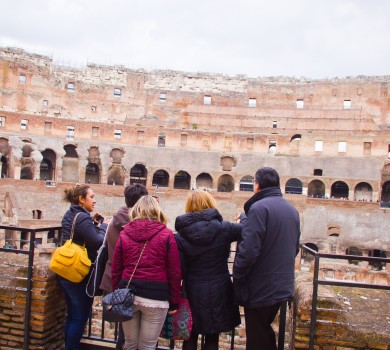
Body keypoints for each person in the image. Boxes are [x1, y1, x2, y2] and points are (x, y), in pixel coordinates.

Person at [233, 167, 301, 350]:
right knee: (263, 331)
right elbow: (295, 247)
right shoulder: (292, 210)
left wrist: (238, 277)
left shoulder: (258, 208)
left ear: (257, 185)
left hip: (260, 286)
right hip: (281, 284)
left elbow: (248, 250)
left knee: (257, 336)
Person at [111, 195, 181, 350]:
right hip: (156, 296)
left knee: (130, 344)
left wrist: (117, 293)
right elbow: (174, 272)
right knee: (147, 346)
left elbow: (116, 268)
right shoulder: (166, 234)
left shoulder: (124, 233)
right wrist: (174, 301)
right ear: (157, 211)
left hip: (128, 294)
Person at [174, 190, 242, 350]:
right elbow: (248, 230)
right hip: (220, 287)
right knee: (212, 336)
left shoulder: (181, 236)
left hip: (192, 289)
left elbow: (181, 269)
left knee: (189, 335)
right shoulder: (225, 228)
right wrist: (243, 217)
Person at [58, 184, 108, 350]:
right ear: (81, 198)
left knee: (72, 315)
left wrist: (93, 224)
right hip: (78, 271)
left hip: (65, 268)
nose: (94, 200)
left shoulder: (70, 213)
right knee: (80, 316)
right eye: (91, 197)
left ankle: (68, 346)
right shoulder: (82, 217)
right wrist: (103, 227)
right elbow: (96, 242)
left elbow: (79, 236)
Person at [100, 183, 148, 350]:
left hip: (114, 278)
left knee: (125, 331)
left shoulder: (115, 219)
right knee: (131, 333)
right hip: (130, 282)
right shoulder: (136, 226)